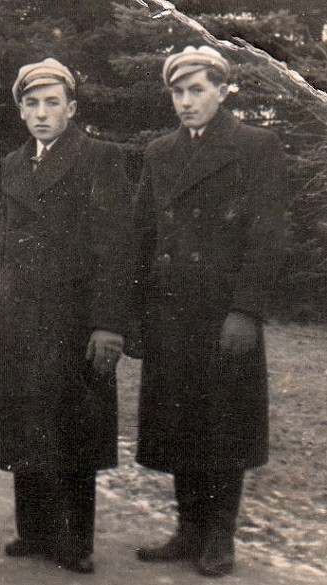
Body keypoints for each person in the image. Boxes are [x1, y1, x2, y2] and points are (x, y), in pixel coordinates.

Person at [130, 45, 290, 577]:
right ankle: (188, 528)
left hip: (225, 313)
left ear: (223, 91)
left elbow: (266, 238)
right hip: (171, 311)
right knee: (180, 420)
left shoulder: (255, 147)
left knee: (224, 423)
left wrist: (247, 311)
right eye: (177, 91)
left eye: (197, 89)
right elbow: (142, 235)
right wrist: (135, 313)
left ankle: (220, 536)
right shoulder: (159, 152)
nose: (186, 101)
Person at [0, 58, 132, 574]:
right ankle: (33, 530)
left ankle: (74, 538)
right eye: (32, 103)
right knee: (27, 422)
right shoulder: (11, 164)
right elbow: (4, 244)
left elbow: (116, 249)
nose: (42, 113)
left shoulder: (101, 158)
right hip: (22, 318)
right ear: (21, 110)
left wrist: (109, 324)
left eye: (53, 103)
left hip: (75, 319)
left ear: (72, 108)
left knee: (75, 427)